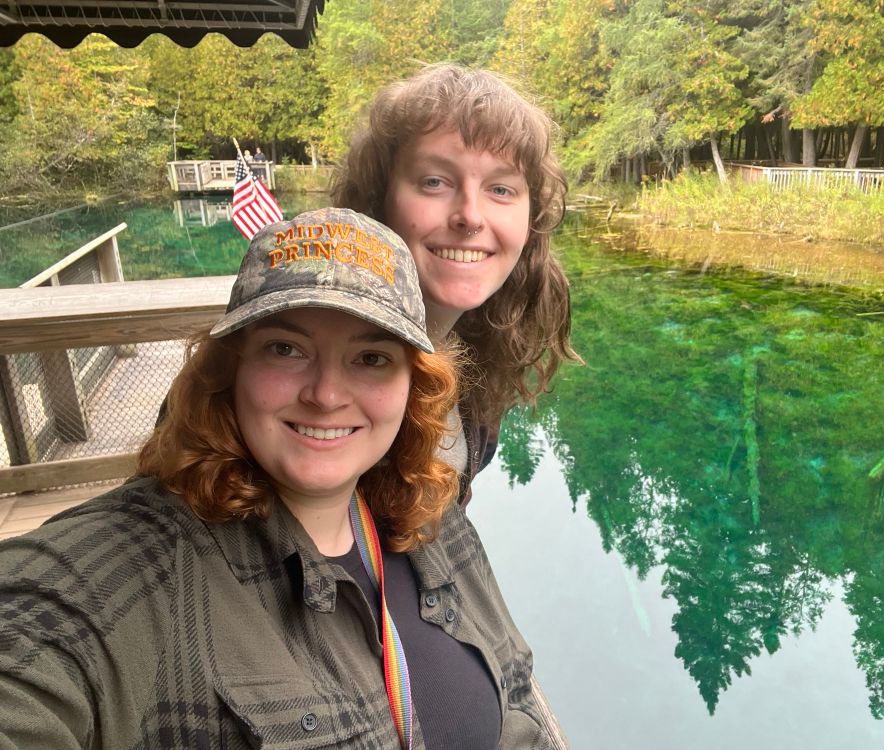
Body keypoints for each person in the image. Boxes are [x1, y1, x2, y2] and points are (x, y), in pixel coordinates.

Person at [0, 207, 561, 749]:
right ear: (230, 368)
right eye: (286, 349)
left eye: (371, 358)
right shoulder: (135, 568)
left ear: (412, 387)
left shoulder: (434, 520)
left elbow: (516, 698)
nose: (325, 394)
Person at [331, 63, 580, 506]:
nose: (470, 215)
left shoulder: (480, 353)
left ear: (531, 220)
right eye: (434, 181)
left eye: (501, 190)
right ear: (377, 200)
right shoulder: (307, 370)